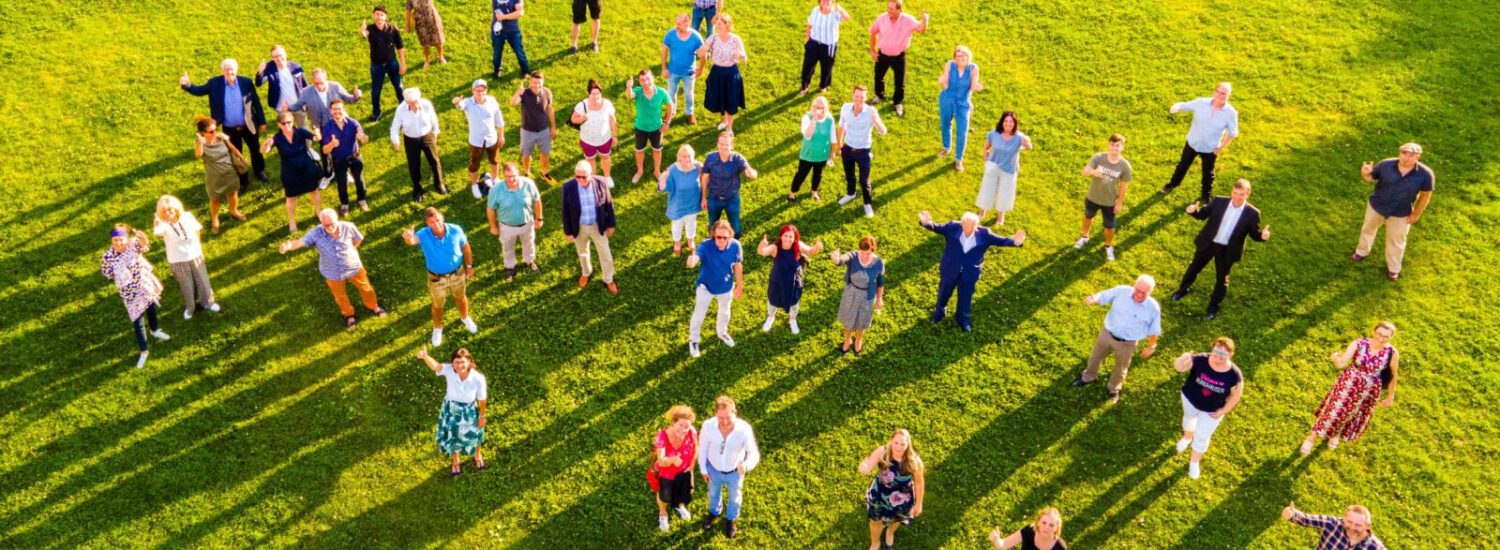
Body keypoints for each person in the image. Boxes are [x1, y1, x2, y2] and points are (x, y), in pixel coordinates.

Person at [1169, 178, 1270, 319]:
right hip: (1209, 243)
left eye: (1241, 195)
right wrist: (1193, 211)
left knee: (1222, 279)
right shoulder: (1219, 201)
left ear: (1248, 195)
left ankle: (1213, 307)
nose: (1237, 197)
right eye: (1235, 193)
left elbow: (1255, 234)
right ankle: (1182, 290)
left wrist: (1262, 236)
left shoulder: (1252, 213)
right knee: (1194, 268)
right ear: (1232, 191)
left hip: (1227, 250)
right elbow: (1202, 215)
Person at [1300, 322, 1400, 455]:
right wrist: (1336, 358)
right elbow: (1341, 364)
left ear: (1391, 338)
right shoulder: (1358, 343)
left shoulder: (1392, 352)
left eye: (1386, 337)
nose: (1381, 339)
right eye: (1379, 334)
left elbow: (1393, 375)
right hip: (1348, 383)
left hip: (1369, 390)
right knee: (1334, 410)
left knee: (1351, 414)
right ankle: (1311, 438)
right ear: (1373, 331)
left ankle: (1335, 434)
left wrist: (1390, 396)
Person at [277, 209, 387, 328]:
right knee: (340, 296)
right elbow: (301, 242)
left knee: (366, 288)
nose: (329, 228)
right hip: (331, 272)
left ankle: (373, 306)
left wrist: (351, 251)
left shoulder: (349, 227)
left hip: (354, 267)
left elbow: (357, 240)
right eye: (326, 225)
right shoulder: (316, 233)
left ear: (337, 220)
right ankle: (349, 314)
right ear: (321, 223)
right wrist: (289, 246)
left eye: (332, 224)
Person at [919, 210, 1026, 332]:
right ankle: (939, 312)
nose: (966, 228)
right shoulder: (953, 226)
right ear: (962, 222)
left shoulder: (985, 233)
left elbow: (1001, 241)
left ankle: (962, 318)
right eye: (965, 224)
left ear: (976, 226)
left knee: (966, 296)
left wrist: (1015, 242)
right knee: (944, 291)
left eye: (970, 226)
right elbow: (937, 227)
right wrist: (927, 223)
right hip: (950, 268)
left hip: (970, 272)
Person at [1072, 275, 1162, 403]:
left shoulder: (1153, 308)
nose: (1140, 295)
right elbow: (1103, 295)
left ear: (1150, 292)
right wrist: (1093, 298)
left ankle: (1114, 389)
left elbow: (1154, 331)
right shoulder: (1122, 291)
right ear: (1133, 285)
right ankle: (1088, 377)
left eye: (1144, 292)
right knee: (1095, 357)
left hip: (1127, 343)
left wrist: (1151, 346)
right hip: (1107, 334)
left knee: (1120, 368)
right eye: (1138, 290)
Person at [180, 58, 269, 187]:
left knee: (255, 149)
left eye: (231, 69)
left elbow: (256, 103)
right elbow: (199, 91)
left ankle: (259, 170)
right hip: (229, 127)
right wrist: (187, 84)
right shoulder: (214, 83)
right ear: (222, 71)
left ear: (236, 70)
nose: (229, 72)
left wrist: (262, 121)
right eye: (226, 70)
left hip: (248, 124)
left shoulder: (246, 82)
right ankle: (242, 180)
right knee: (235, 153)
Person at [1354, 143, 1434, 281]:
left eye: (1411, 155)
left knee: (1396, 241)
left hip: (1401, 212)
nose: (1407, 158)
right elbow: (1371, 179)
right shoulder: (1385, 165)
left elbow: (1425, 195)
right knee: (1368, 229)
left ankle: (1393, 268)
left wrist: (1416, 214)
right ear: (1399, 153)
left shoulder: (1425, 174)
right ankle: (1361, 251)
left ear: (1418, 157)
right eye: (1404, 153)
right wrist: (1365, 174)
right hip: (1377, 206)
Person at [402, 207, 477, 348]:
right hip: (436, 278)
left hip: (457, 273)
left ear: (442, 217)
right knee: (438, 305)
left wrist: (469, 266)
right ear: (427, 223)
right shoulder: (424, 234)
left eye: (437, 220)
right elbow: (412, 241)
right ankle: (438, 327)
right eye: (431, 222)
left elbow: (465, 247)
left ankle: (465, 318)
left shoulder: (455, 230)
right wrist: (408, 237)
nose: (436, 225)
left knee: (461, 297)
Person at [1171, 337, 1245, 480]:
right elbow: (1179, 368)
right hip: (1190, 400)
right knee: (1188, 420)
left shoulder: (1234, 375)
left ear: (1230, 355)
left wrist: (1222, 412)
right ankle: (1187, 438)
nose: (1218, 356)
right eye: (1216, 351)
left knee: (1202, 436)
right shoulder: (1200, 359)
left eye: (1223, 354)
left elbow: (1236, 396)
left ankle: (1194, 462)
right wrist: (1182, 358)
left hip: (1212, 411)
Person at [102, 224, 169, 369]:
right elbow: (107, 273)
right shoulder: (108, 256)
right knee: (137, 319)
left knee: (151, 307)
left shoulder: (133, 244)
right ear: (111, 241)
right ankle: (144, 351)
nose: (118, 243)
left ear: (126, 239)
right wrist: (122, 276)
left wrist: (143, 237)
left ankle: (155, 330)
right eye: (115, 240)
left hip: (144, 284)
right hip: (129, 292)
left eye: (121, 239)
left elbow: (144, 245)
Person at [415, 347, 488, 477]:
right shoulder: (449, 370)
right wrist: (426, 357)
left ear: (469, 361)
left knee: (475, 433)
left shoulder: (478, 378)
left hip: (469, 409)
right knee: (453, 435)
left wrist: (482, 416)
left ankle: (477, 454)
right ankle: (455, 460)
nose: (460, 366)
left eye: (463, 362)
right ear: (452, 363)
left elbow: (482, 400)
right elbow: (436, 366)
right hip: (451, 408)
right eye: (456, 362)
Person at [1163, 82, 1240, 204]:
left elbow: (1232, 133)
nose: (1220, 95)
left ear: (1228, 95)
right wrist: (1176, 107)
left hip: (1210, 148)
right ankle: (1172, 184)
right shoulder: (1201, 103)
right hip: (1193, 142)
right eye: (1218, 92)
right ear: (1214, 92)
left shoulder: (1231, 113)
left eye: (1224, 94)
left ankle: (1206, 195)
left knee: (1208, 173)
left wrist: (1220, 147)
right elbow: (1185, 105)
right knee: (1182, 165)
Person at [698, 395, 760, 539]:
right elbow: (703, 449)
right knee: (713, 493)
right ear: (715, 415)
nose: (725, 422)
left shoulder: (744, 429)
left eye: (728, 417)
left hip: (735, 472)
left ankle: (731, 519)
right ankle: (714, 512)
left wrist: (746, 465)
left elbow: (753, 453)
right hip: (713, 470)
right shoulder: (708, 426)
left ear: (735, 413)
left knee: (735, 498)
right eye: (721, 418)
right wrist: (703, 469)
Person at [287, 68, 362, 185]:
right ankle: (328, 174)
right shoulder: (306, 92)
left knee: (342, 150)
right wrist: (287, 108)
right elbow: (298, 105)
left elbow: (349, 99)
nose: (320, 86)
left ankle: (344, 172)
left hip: (339, 124)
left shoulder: (335, 86)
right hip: (321, 127)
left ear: (326, 78)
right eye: (316, 83)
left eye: (322, 82)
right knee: (325, 152)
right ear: (312, 81)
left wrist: (356, 96)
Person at [152, 195, 219, 321]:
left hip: (195, 254)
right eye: (164, 211)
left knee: (202, 280)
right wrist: (156, 223)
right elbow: (158, 232)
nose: (168, 213)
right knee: (186, 284)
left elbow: (197, 230)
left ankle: (209, 302)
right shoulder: (163, 224)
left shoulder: (187, 216)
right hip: (177, 259)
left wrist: (198, 246)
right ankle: (190, 307)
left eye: (170, 209)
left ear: (176, 208)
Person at [858, 429, 925, 550]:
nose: (898, 447)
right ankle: (875, 542)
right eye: (896, 442)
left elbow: (919, 483)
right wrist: (863, 468)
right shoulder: (882, 452)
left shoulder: (914, 462)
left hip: (901, 498)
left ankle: (889, 533)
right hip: (879, 493)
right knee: (875, 520)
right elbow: (868, 466)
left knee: (896, 519)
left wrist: (919, 503)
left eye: (902, 444)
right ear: (891, 441)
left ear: (908, 445)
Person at [685, 220, 743, 358]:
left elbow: (738, 265)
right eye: (719, 237)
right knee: (699, 315)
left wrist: (740, 285)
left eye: (725, 237)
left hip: (726, 287)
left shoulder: (736, 245)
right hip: (706, 288)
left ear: (730, 235)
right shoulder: (705, 245)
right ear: (713, 235)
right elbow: (695, 259)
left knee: (725, 312)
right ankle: (693, 339)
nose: (722, 240)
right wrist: (691, 261)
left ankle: (722, 332)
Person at [259, 111, 324, 234]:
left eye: (289, 122)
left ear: (293, 121)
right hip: (290, 172)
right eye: (283, 123)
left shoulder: (300, 132)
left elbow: (316, 138)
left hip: (307, 168)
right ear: (279, 124)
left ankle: (318, 211)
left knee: (314, 191)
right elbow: (264, 151)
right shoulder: (277, 138)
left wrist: (317, 134)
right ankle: (292, 220)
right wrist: (266, 144)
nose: (287, 125)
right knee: (291, 197)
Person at [562, 161, 619, 295]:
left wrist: (611, 224)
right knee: (582, 252)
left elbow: (609, 205)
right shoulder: (568, 187)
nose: (580, 180)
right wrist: (568, 231)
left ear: (591, 174)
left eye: (584, 177)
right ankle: (586, 273)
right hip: (579, 227)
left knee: (605, 254)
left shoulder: (601, 184)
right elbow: (565, 211)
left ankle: (608, 279)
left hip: (597, 225)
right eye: (578, 176)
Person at [1074, 134, 1133, 261]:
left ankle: (1108, 246)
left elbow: (1124, 186)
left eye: (1118, 145)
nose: (1114, 148)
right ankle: (1084, 237)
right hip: (1092, 197)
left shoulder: (1125, 165)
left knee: (1109, 226)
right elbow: (1084, 172)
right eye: (1112, 144)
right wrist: (1093, 172)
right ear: (1108, 144)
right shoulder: (1099, 157)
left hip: (1109, 202)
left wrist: (1119, 203)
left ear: (1122, 147)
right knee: (1088, 216)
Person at [757, 225, 823, 334]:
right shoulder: (775, 248)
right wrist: (761, 245)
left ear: (795, 238)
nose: (788, 239)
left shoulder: (798, 245)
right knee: (773, 299)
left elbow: (810, 252)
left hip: (794, 279)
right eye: (785, 236)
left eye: (791, 237)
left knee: (794, 302)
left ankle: (792, 320)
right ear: (781, 236)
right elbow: (762, 252)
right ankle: (771, 317)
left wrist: (817, 247)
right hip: (778, 279)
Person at [867, 0, 928, 117]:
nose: (888, 11)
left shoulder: (907, 20)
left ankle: (898, 102)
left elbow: (921, 29)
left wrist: (925, 20)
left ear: (899, 9)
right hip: (882, 55)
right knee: (878, 76)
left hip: (899, 57)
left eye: (892, 9)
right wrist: (872, 50)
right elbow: (873, 32)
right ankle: (879, 95)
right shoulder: (881, 18)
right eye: (888, 8)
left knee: (900, 82)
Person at [836, 85, 889, 218]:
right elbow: (842, 125)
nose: (859, 99)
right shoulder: (845, 107)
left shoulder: (871, 111)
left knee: (864, 180)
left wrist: (876, 122)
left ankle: (867, 203)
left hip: (863, 151)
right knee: (849, 175)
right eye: (857, 96)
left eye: (862, 97)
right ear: (853, 95)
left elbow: (883, 131)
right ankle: (851, 193)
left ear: (866, 98)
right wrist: (839, 144)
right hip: (847, 148)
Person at [486, 162, 544, 281]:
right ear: (503, 175)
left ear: (518, 173)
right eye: (508, 176)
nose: (511, 179)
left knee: (529, 243)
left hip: (527, 223)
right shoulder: (496, 190)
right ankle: (510, 266)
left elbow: (537, 201)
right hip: (507, 227)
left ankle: (529, 260)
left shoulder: (528, 184)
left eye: (513, 175)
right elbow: (490, 209)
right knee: (507, 247)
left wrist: (539, 218)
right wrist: (493, 226)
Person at [192, 115, 248, 233]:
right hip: (215, 178)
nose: (214, 133)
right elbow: (198, 154)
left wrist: (242, 158)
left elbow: (233, 148)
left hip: (230, 173)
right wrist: (199, 142)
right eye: (211, 131)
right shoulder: (201, 144)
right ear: (203, 133)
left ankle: (234, 211)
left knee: (232, 193)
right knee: (215, 199)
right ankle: (215, 220)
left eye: (215, 129)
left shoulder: (222, 138)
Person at [976, 111, 1032, 227]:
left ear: (1014, 123)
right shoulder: (994, 133)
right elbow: (986, 148)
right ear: (1002, 122)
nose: (1008, 123)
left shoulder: (1019, 137)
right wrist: (986, 163)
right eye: (1006, 121)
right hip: (993, 166)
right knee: (987, 189)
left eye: (1010, 121)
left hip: (1009, 169)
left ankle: (1000, 214)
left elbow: (1029, 147)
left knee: (1005, 193)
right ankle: (982, 211)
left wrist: (1027, 141)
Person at [698, 132, 759, 239]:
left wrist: (751, 173)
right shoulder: (710, 158)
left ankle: (734, 246)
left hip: (732, 199)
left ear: (732, 146)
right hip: (714, 198)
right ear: (717, 144)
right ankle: (713, 244)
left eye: (727, 144)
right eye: (721, 144)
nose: (724, 147)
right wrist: (703, 197)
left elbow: (750, 171)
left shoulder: (737, 158)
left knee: (735, 228)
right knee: (713, 225)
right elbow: (705, 178)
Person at [832, 236, 885, 355]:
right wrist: (836, 259)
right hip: (851, 292)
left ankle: (858, 341)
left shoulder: (878, 263)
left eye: (867, 253)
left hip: (868, 295)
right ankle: (847, 340)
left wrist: (880, 299)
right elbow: (841, 260)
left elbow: (880, 283)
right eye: (862, 252)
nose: (864, 255)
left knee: (861, 321)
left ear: (873, 250)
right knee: (848, 319)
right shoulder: (854, 256)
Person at [390, 88, 445, 203]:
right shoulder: (401, 109)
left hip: (427, 136)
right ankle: (417, 188)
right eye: (410, 103)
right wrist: (395, 140)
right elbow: (395, 126)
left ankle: (439, 183)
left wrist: (435, 133)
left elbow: (434, 120)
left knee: (434, 161)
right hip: (410, 139)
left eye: (415, 101)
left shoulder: (426, 105)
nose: (413, 104)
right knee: (414, 165)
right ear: (406, 102)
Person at [453, 79, 505, 200]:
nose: (480, 93)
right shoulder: (467, 102)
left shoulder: (492, 101)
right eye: (477, 90)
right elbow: (461, 106)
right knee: (474, 165)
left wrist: (501, 135)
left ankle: (495, 178)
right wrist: (457, 103)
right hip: (476, 141)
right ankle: (474, 185)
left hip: (492, 138)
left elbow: (499, 119)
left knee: (495, 160)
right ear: (473, 91)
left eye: (483, 90)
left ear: (486, 90)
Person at [319, 99, 371, 216]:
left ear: (344, 110)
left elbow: (364, 138)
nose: (337, 112)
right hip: (338, 159)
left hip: (355, 156)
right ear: (330, 111)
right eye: (334, 109)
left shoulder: (353, 123)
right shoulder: (327, 127)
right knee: (341, 183)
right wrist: (332, 144)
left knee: (359, 180)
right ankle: (344, 204)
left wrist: (363, 138)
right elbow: (324, 150)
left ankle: (362, 200)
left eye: (339, 109)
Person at [653, 405, 698, 532]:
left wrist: (692, 464)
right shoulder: (662, 437)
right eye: (680, 425)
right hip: (667, 475)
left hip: (685, 471)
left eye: (687, 426)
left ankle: (679, 505)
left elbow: (696, 447)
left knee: (686, 492)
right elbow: (661, 461)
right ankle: (663, 514)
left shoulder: (691, 431)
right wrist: (672, 460)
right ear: (673, 422)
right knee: (665, 497)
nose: (684, 430)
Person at [699, 14, 748, 132]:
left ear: (727, 25)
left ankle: (729, 128)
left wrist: (740, 55)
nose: (717, 26)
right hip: (717, 73)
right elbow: (703, 49)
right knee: (721, 98)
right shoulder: (713, 37)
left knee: (731, 100)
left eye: (720, 24)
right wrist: (702, 50)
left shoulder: (736, 39)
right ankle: (724, 120)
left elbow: (745, 58)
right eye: (717, 24)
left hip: (731, 73)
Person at [624, 71, 675, 184]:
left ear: (652, 78)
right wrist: (628, 87)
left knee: (657, 150)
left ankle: (657, 171)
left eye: (648, 79)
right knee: (639, 150)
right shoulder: (637, 91)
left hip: (657, 128)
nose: (646, 82)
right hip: (641, 128)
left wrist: (667, 122)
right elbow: (629, 95)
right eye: (642, 80)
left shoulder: (661, 92)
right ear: (639, 82)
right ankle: (640, 171)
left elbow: (670, 105)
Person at [937, 45, 981, 171]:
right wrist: (942, 82)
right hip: (947, 100)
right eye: (958, 55)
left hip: (963, 104)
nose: (960, 57)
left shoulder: (973, 68)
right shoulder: (950, 65)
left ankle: (958, 159)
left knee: (962, 132)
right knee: (945, 125)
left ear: (968, 56)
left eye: (963, 55)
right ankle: (947, 148)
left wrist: (976, 87)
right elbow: (945, 86)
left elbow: (972, 88)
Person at [358, 7, 406, 123]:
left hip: (392, 63)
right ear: (373, 16)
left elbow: (399, 47)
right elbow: (364, 35)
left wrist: (403, 64)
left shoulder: (393, 29)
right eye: (377, 14)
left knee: (399, 87)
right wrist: (362, 31)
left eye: (382, 15)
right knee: (376, 91)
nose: (379, 17)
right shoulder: (370, 29)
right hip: (377, 66)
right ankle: (376, 113)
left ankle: (404, 108)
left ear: (385, 17)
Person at [657, 144, 704, 255]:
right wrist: (663, 179)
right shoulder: (673, 170)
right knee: (677, 225)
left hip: (692, 203)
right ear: (679, 157)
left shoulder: (698, 166)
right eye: (683, 156)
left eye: (689, 156)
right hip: (677, 204)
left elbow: (705, 179)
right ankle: (677, 242)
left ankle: (690, 239)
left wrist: (704, 197)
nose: (687, 159)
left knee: (691, 223)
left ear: (693, 156)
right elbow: (663, 187)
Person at [511, 71, 557, 182]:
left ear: (543, 82)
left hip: (543, 130)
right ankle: (526, 173)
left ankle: (544, 173)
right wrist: (518, 93)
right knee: (526, 155)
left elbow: (550, 110)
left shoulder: (547, 93)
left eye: (539, 82)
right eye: (534, 82)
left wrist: (553, 127)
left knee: (545, 153)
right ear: (530, 82)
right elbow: (512, 103)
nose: (536, 85)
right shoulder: (524, 93)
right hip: (527, 131)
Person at [570, 79, 618, 186]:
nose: (595, 96)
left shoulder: (607, 104)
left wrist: (615, 135)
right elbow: (573, 119)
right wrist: (583, 117)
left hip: (604, 139)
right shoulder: (582, 105)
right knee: (590, 160)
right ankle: (594, 178)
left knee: (605, 157)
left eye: (598, 93)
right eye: (593, 93)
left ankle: (607, 176)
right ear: (588, 93)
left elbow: (612, 120)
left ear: (601, 93)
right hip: (587, 140)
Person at [790, 96, 836, 202]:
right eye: (817, 107)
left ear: (826, 108)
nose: (819, 110)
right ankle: (792, 193)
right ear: (813, 107)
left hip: (822, 154)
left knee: (818, 175)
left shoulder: (830, 120)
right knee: (801, 174)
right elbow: (808, 135)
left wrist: (831, 153)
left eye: (822, 108)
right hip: (808, 153)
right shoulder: (807, 118)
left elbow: (832, 137)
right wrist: (815, 119)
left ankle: (814, 191)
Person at [661, 14, 706, 125]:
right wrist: (663, 68)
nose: (677, 25)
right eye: (676, 22)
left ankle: (689, 113)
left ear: (687, 23)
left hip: (689, 73)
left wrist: (700, 69)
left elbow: (703, 54)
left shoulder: (696, 37)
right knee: (671, 93)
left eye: (679, 24)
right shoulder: (671, 34)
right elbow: (664, 51)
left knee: (689, 93)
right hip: (673, 71)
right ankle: (671, 112)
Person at [800, 0, 852, 96]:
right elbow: (809, 25)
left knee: (826, 67)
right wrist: (807, 41)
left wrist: (840, 9)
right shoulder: (815, 10)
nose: (825, 1)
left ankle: (823, 86)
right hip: (813, 43)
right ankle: (805, 86)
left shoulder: (836, 13)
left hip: (828, 46)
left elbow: (847, 17)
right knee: (807, 67)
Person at [1281, 502, 1386, 549]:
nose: (1352, 528)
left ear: (1368, 526)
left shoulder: (1375, 547)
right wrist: (1292, 514)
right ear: (1344, 518)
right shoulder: (1333, 524)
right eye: (1349, 522)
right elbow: (1306, 519)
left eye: (1358, 525)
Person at [254, 46, 307, 127]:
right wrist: (260, 71)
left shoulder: (296, 66)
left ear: (285, 54)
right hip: (281, 108)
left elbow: (304, 85)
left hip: (298, 105)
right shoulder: (270, 68)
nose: (278, 58)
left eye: (280, 55)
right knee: (287, 130)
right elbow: (259, 83)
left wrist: (306, 101)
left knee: (303, 127)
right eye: (275, 56)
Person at [989, 508, 1068, 550]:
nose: (1046, 527)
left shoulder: (1060, 547)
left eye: (1051, 525)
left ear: (1056, 528)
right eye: (1044, 523)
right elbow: (1002, 546)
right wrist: (996, 540)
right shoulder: (1029, 531)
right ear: (1038, 522)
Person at [491, 0, 529, 79]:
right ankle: (497, 71)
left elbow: (520, 13)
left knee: (519, 53)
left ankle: (525, 71)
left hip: (513, 31)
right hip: (497, 31)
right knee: (497, 54)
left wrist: (504, 17)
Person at [404, 0, 447, 69]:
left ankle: (440, 57)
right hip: (420, 23)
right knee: (425, 42)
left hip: (433, 19)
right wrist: (408, 25)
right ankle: (427, 60)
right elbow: (408, 12)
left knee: (438, 40)